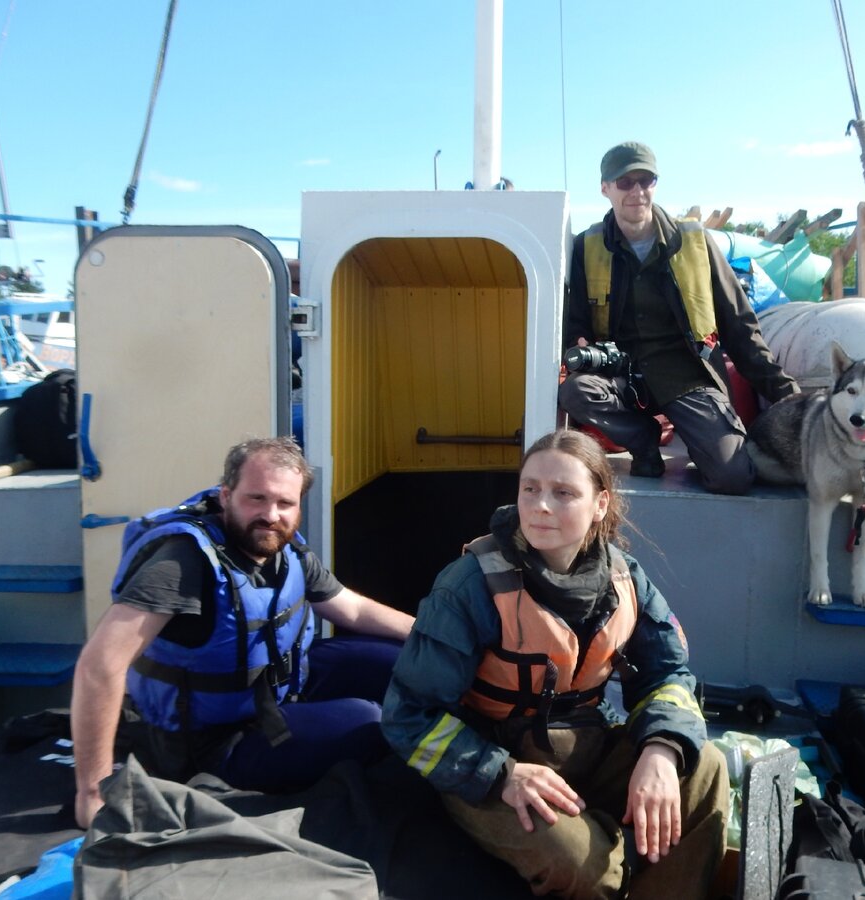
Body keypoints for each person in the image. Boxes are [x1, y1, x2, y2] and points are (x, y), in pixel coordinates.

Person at [381, 429, 729, 899]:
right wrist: (500, 773)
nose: (541, 505)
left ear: (600, 504)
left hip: (587, 746)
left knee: (703, 765)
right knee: (586, 868)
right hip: (492, 768)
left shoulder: (625, 579)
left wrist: (661, 749)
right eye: (530, 489)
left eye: (563, 493)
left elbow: (668, 673)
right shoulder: (469, 587)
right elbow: (408, 716)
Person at [71, 436, 414, 829]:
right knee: (371, 722)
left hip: (274, 688)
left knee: (404, 660)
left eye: (285, 503)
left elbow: (351, 607)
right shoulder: (183, 564)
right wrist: (93, 793)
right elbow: (100, 666)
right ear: (225, 495)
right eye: (257, 499)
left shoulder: (282, 548)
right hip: (216, 739)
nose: (271, 514)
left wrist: (431, 636)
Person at [560, 140, 799, 494]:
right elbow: (575, 318)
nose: (637, 191)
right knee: (576, 391)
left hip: (687, 374)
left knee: (732, 476)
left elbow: (739, 324)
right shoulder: (586, 246)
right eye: (626, 182)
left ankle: (704, 439)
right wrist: (578, 341)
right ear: (605, 188)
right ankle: (643, 439)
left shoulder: (695, 241)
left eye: (646, 180)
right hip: (622, 374)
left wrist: (786, 393)